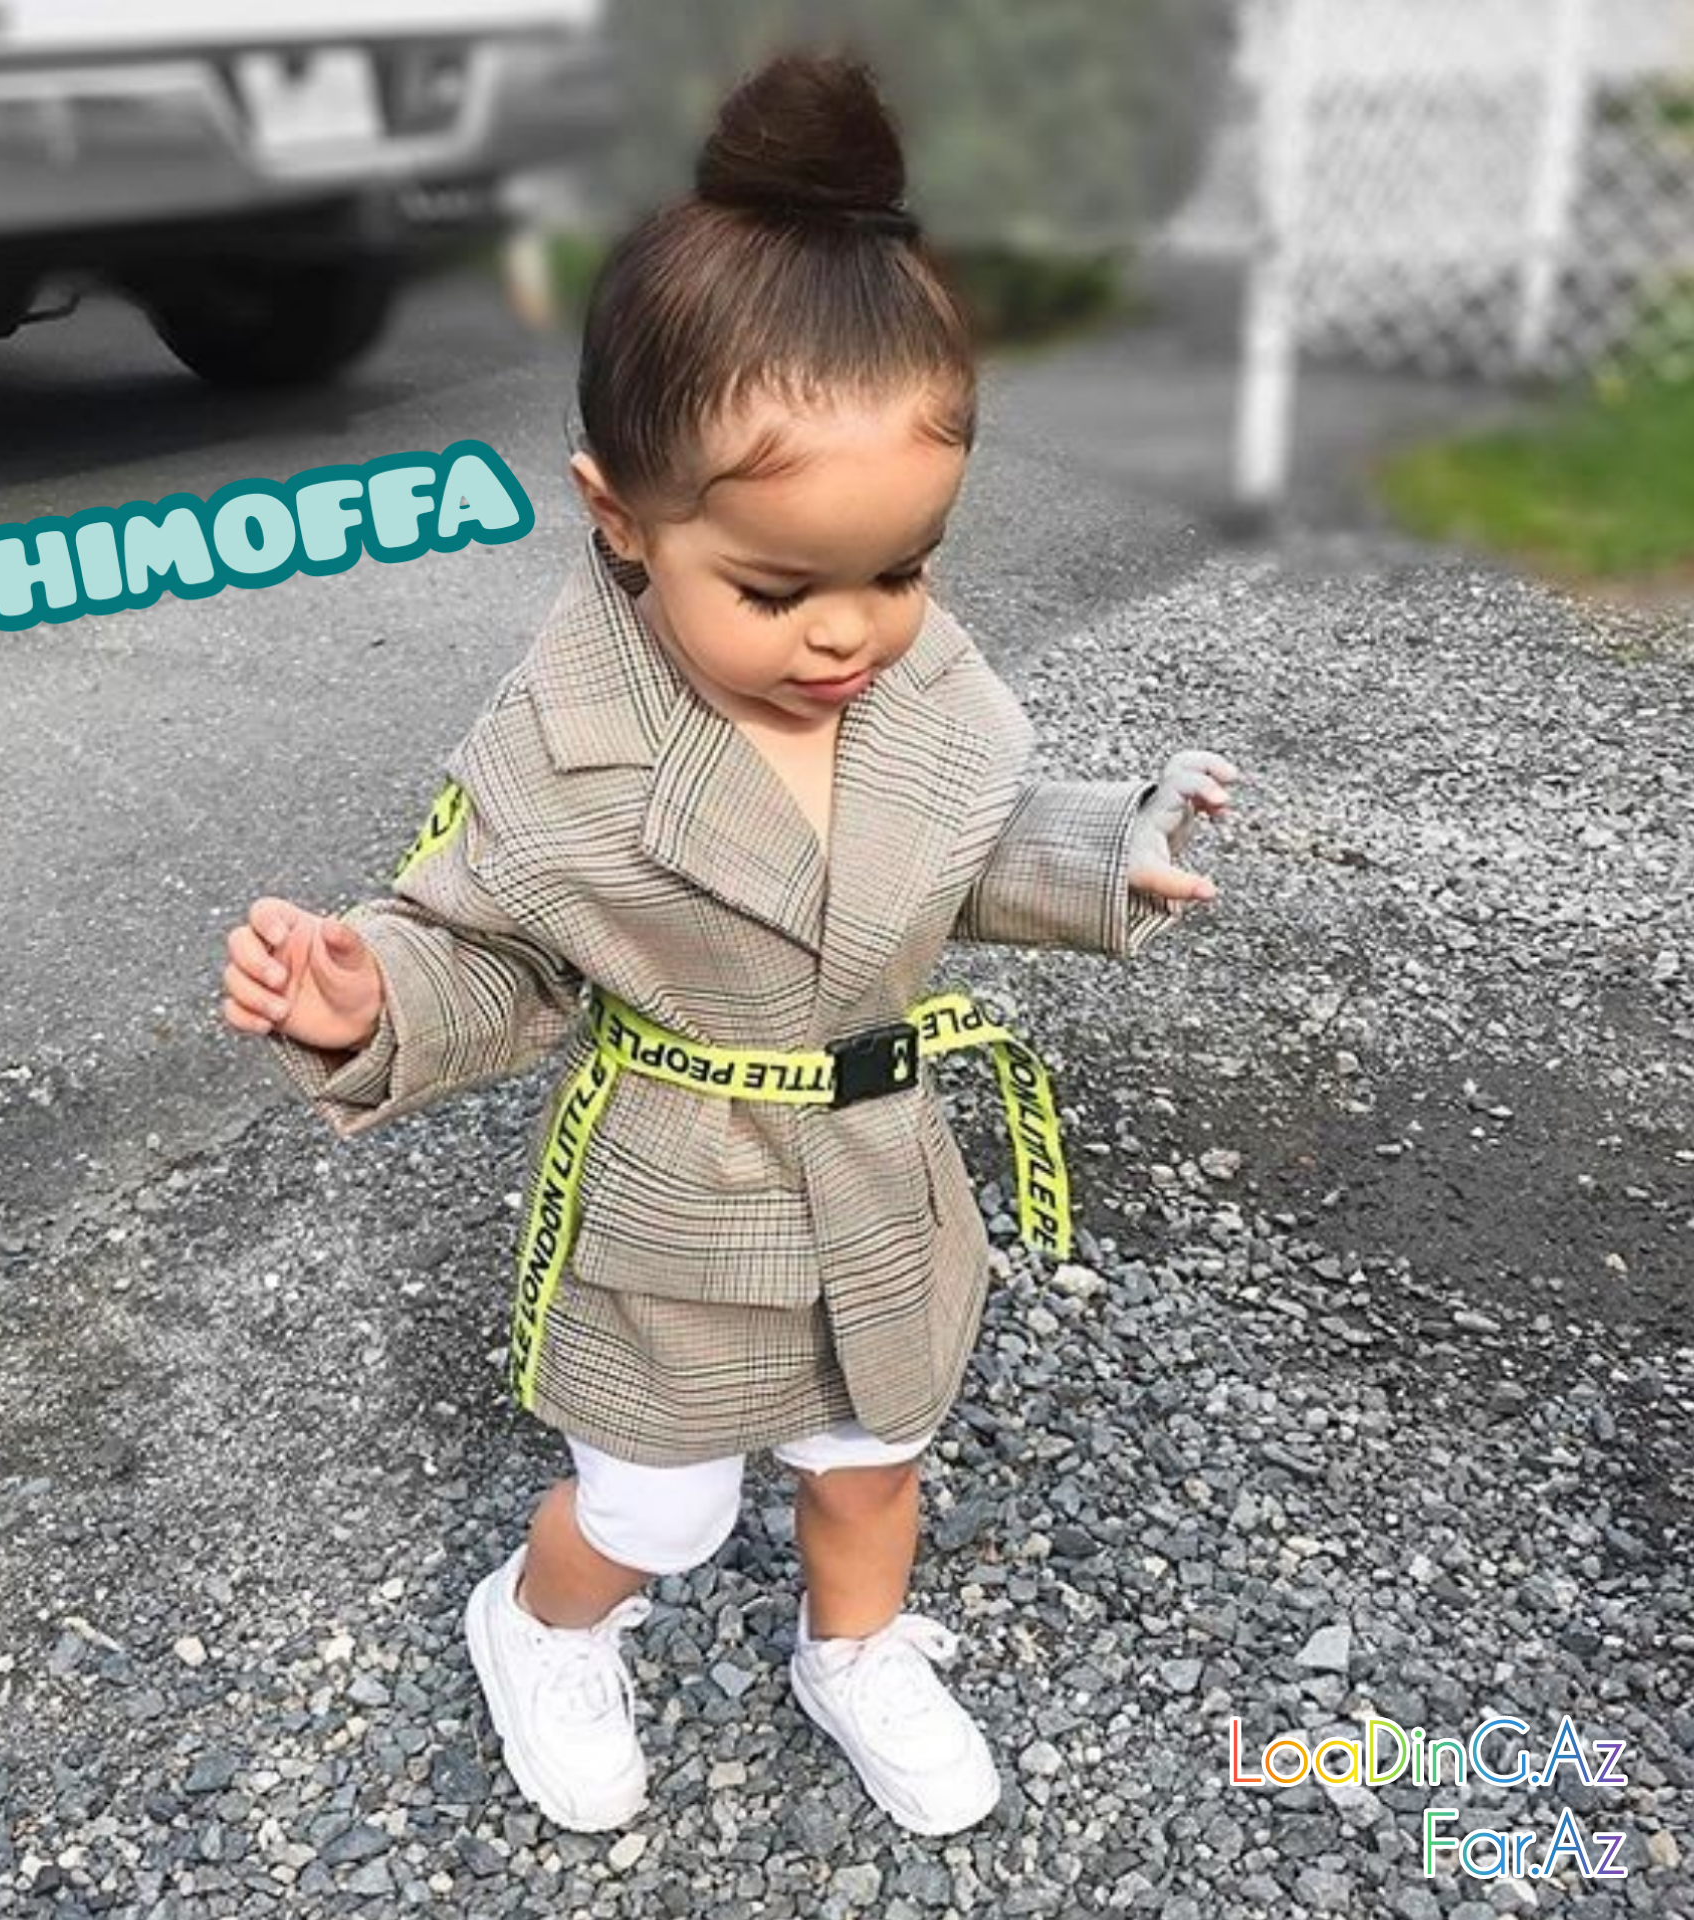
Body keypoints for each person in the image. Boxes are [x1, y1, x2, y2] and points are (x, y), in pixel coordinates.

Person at [220, 47, 1241, 1841]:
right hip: (683, 1195)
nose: (849, 634)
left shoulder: (911, 686)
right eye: (776, 589)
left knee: (875, 1453)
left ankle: (855, 1650)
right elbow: (500, 951)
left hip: (879, 1165)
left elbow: (953, 847)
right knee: (658, 1502)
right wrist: (366, 993)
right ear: (620, 517)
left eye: (902, 569)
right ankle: (542, 1624)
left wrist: (1103, 850)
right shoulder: (567, 757)